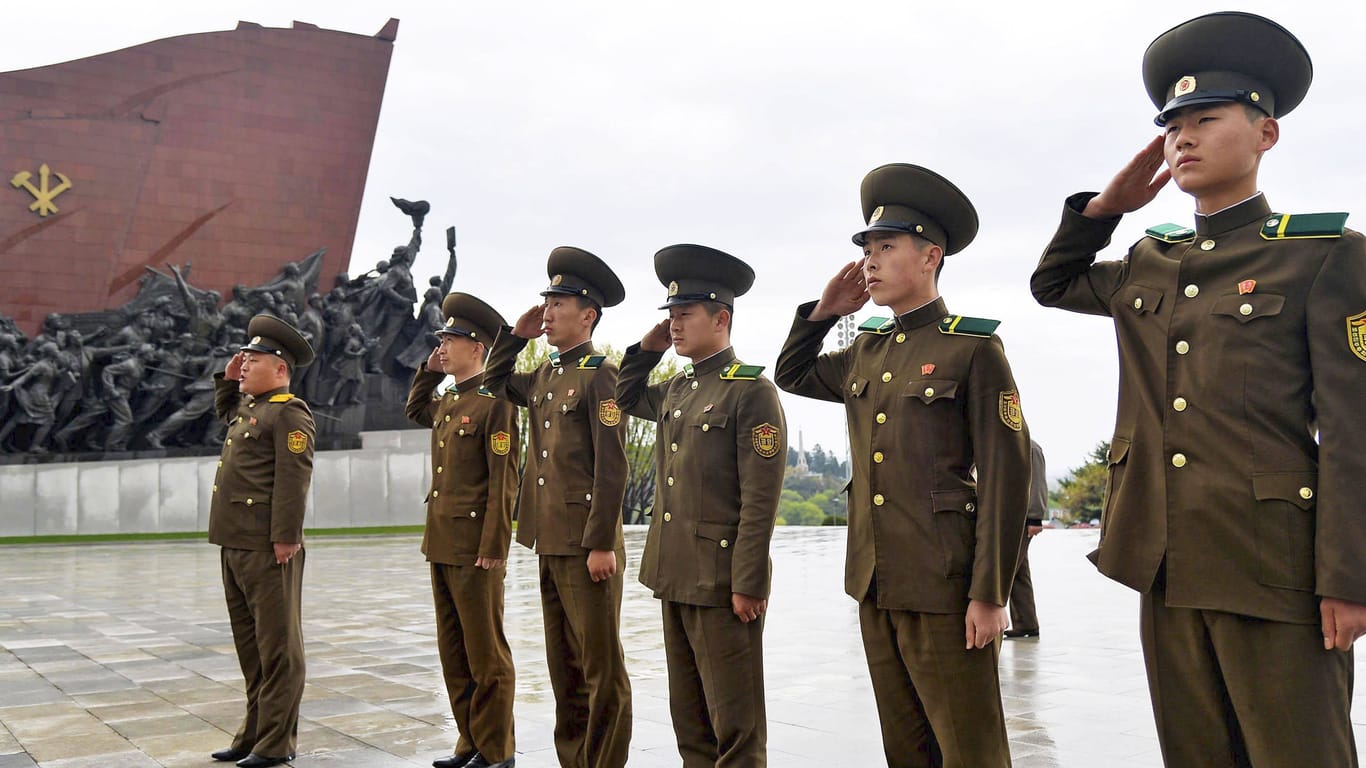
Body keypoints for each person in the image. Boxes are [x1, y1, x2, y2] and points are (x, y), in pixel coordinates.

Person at [1030, 12, 1365, 766]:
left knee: (1300, 753)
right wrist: (1105, 210)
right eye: (1173, 124)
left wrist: (1349, 577)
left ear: (1265, 135)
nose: (1183, 137)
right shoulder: (1151, 260)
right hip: (1167, 559)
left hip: (1277, 567)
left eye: (1206, 119)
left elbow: (1354, 431)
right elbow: (1053, 284)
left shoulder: (1322, 256)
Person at [775, 163, 1031, 768]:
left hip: (946, 584)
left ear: (930, 256)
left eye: (886, 247)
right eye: (866, 248)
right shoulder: (865, 348)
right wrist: (824, 311)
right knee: (905, 747)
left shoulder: (971, 348)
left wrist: (991, 593)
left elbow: (1006, 476)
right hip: (877, 581)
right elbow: (792, 374)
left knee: (970, 746)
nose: (870, 260)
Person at [616, 245, 786, 767]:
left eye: (684, 315)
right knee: (689, 721)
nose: (674, 325)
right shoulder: (677, 388)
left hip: (720, 582)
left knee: (735, 728)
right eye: (669, 315)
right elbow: (625, 396)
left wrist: (748, 580)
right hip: (675, 574)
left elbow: (761, 497)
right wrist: (646, 348)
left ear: (721, 318)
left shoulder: (750, 391)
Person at [483, 247, 632, 768]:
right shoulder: (545, 374)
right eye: (545, 302)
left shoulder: (600, 376)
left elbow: (612, 466)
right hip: (548, 538)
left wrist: (599, 542)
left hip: (585, 544)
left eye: (558, 303)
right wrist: (514, 338)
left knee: (600, 668)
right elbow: (492, 382)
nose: (546, 311)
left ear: (587, 315)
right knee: (564, 667)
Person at [405, 293, 520, 768]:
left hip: (476, 548)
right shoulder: (450, 399)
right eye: (441, 340)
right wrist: (429, 370)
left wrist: (495, 545)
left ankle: (496, 750)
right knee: (454, 652)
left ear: (477, 347)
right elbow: (416, 409)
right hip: (442, 543)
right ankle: (468, 741)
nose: (443, 346)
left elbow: (504, 479)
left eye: (450, 340)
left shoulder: (496, 403)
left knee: (485, 654)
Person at [207, 314, 316, 768]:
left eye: (254, 359)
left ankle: (275, 744)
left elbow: (295, 479)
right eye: (244, 358)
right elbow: (224, 409)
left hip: (267, 547)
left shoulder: (289, 411)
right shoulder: (249, 409)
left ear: (281, 369)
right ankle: (252, 733)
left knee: (279, 650)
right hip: (234, 544)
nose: (244, 364)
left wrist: (286, 537)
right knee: (251, 649)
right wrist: (227, 381)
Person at [1004, 439, 1047, 639]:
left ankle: (1019, 622)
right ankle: (1026, 622)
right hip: (1007, 517)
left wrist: (1035, 517)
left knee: (1006, 571)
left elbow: (1037, 483)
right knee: (1018, 572)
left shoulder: (1030, 447)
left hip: (1021, 519)